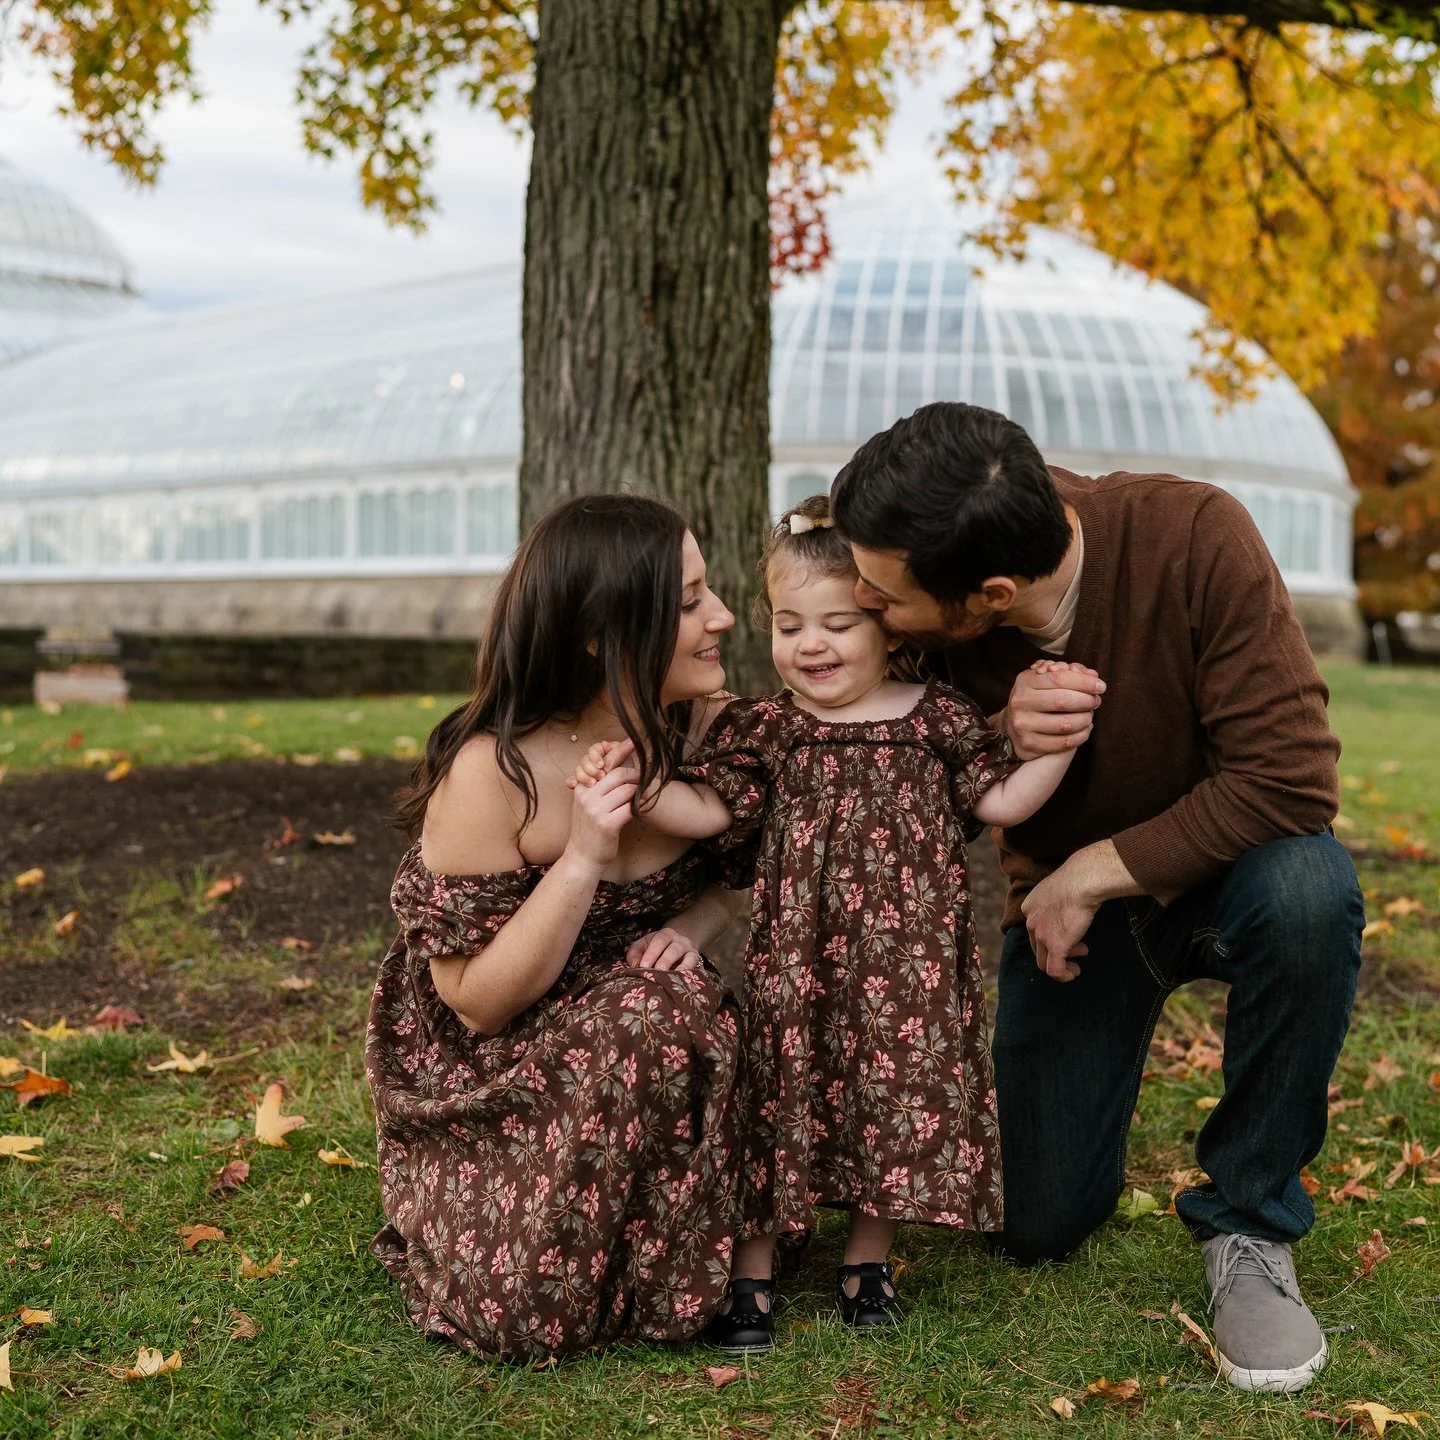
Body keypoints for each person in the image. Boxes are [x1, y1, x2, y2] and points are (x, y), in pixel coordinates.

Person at [828, 401, 1363, 1393]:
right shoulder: (917, 576)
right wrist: (994, 730)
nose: (859, 599)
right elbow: (849, 786)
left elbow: (1291, 779)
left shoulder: (1195, 534)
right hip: (1078, 936)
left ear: (988, 594)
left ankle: (1249, 1225)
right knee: (1037, 1225)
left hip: (1220, 884)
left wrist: (1083, 872)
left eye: (881, 592)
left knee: (1307, 889)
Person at [572, 495, 1091, 1353]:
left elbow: (1001, 799)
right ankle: (752, 1274)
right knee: (772, 1103)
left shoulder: (935, 720)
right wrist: (640, 782)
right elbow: (709, 811)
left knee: (897, 1104)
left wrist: (1060, 745)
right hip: (797, 966)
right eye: (788, 624)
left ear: (886, 625)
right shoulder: (770, 729)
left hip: (910, 973)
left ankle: (867, 1263)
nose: (810, 645)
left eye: (838, 624)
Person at [365, 494, 749, 1363]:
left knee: (662, 1001)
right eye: (688, 602)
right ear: (600, 635)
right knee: (522, 1313)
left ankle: (671, 1249)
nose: (721, 617)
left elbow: (755, 873)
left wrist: (696, 921)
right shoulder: (490, 772)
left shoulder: (708, 729)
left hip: (659, 1038)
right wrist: (580, 859)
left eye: (708, 591)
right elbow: (476, 1006)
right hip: (506, 1067)